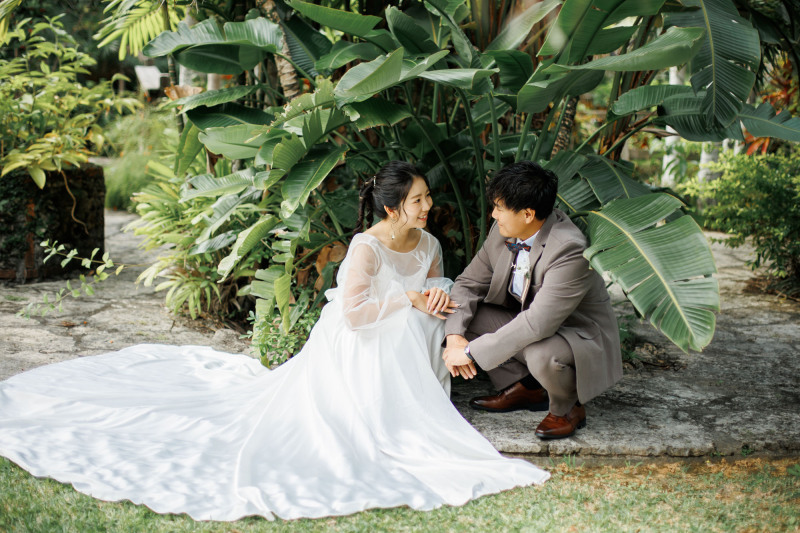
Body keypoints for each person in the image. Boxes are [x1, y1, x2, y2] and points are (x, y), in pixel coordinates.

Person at [0, 161, 548, 522]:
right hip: (356, 337)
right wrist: (408, 302)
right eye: (419, 200)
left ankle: (415, 403)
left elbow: (430, 287)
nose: (429, 207)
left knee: (428, 317)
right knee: (405, 320)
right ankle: (386, 413)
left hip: (404, 329)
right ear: (390, 208)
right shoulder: (365, 247)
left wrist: (430, 300)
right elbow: (355, 314)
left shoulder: (427, 243)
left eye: (427, 198)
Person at [443, 160, 622, 440]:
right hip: (531, 323)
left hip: (575, 334)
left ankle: (568, 408)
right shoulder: (503, 233)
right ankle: (527, 388)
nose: (493, 215)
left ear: (528, 214)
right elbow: (468, 284)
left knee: (542, 355)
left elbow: (539, 324)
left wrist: (468, 353)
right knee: (464, 316)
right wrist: (455, 338)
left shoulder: (569, 249)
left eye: (499, 208)